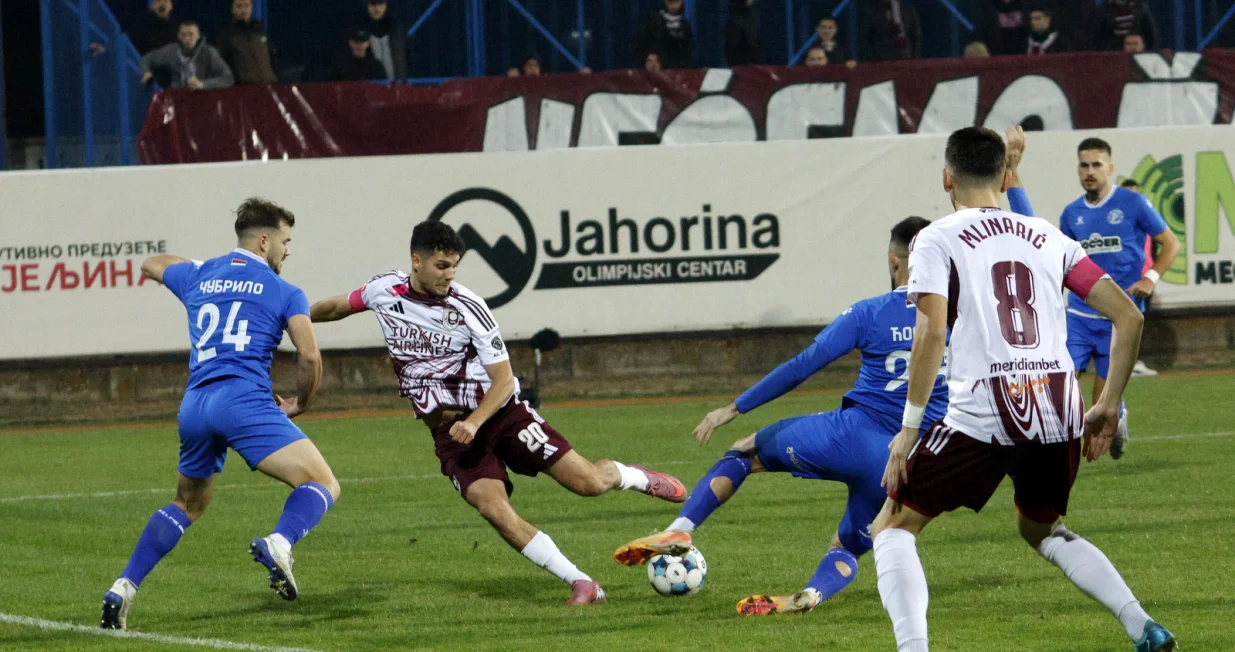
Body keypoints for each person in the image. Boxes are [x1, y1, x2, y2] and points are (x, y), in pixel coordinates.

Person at [870, 125, 1178, 652]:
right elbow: (1128, 316)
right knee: (1044, 530)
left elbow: (932, 329)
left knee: (892, 527)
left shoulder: (937, 237)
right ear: (1000, 175)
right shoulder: (1047, 236)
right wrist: (1105, 405)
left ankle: (913, 648)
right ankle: (1142, 625)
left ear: (947, 178)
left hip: (985, 410)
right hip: (1059, 408)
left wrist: (908, 430)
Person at [308, 220, 688, 606]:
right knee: (491, 506)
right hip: (449, 433)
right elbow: (337, 306)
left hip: (501, 415)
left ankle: (633, 475)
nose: (449, 274)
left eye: (455, 265)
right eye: (442, 265)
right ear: (416, 261)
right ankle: (582, 582)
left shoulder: (469, 307)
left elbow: (504, 380)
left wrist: (474, 422)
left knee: (586, 483)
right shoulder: (383, 290)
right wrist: (295, 317)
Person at [614, 216, 950, 616]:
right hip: (907, 461)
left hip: (851, 437)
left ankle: (681, 531)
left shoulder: (869, 312)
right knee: (849, 546)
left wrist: (734, 407)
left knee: (744, 453)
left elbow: (802, 366)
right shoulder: (959, 319)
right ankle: (811, 594)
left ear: (895, 261)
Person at [100, 198, 340, 631]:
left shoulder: (201, 274)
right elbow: (309, 355)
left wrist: (211, 269)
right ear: (264, 240)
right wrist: (302, 403)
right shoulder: (286, 291)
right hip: (242, 400)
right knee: (322, 482)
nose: (288, 250)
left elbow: (152, 265)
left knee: (188, 503)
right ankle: (281, 543)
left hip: (194, 405)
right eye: (285, 241)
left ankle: (124, 585)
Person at [1057, 138, 1179, 458]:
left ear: (1110, 168)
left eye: (1097, 165)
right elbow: (1061, 263)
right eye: (1084, 165)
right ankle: (1059, 446)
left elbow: (1171, 243)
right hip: (1080, 315)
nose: (1090, 171)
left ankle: (1116, 416)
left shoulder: (1133, 203)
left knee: (1104, 398)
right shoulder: (1071, 214)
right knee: (1062, 381)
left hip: (1119, 316)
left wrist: (1150, 279)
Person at [140, 21, 234, 90]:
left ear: (198, 36)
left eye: (190, 34)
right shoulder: (171, 51)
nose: (187, 39)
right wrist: (146, 71)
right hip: (177, 100)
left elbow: (228, 78)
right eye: (183, 35)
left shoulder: (209, 52)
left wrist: (203, 84)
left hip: (203, 99)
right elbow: (147, 58)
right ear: (178, 36)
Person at [217, 0, 278, 85]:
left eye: (246, 6)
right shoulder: (227, 34)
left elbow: (271, 57)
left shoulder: (259, 30)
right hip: (243, 89)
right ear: (232, 9)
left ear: (251, 7)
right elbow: (221, 65)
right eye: (239, 6)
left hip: (269, 86)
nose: (244, 10)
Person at [634, 0, 695, 69]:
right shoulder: (653, 20)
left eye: (676, 1)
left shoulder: (685, 25)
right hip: (652, 72)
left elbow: (688, 53)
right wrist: (648, 57)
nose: (673, 6)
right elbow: (639, 44)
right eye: (670, 2)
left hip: (678, 71)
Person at [361, 0, 408, 81]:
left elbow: (406, 56)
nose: (377, 8)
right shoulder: (360, 32)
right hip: (370, 88)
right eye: (373, 4)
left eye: (380, 3)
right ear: (367, 6)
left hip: (398, 87)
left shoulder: (398, 30)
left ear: (386, 5)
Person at [725, 0, 764, 66]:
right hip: (743, 68)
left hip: (754, 68)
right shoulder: (736, 22)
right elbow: (731, 52)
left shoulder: (753, 17)